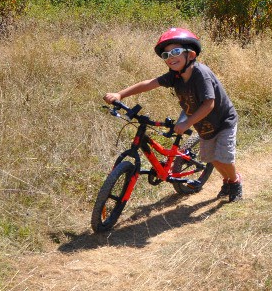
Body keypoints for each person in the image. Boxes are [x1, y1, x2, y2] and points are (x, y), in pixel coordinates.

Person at [103, 27, 242, 202]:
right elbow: (149, 84)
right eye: (166, 55)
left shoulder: (201, 74)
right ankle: (227, 181)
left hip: (223, 121)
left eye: (175, 51)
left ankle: (235, 181)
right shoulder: (174, 76)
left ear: (190, 55)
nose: (170, 57)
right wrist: (120, 94)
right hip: (203, 125)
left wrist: (186, 123)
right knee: (213, 159)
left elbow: (209, 104)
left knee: (224, 158)